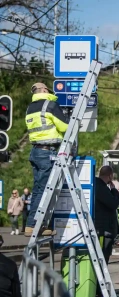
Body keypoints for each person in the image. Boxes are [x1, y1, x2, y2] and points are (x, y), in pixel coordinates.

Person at [24, 82, 69, 237]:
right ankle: (35, 225)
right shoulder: (50, 105)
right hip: (47, 152)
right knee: (44, 190)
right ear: (44, 90)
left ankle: (32, 224)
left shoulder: (30, 108)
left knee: (37, 189)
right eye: (47, 89)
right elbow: (64, 126)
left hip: (35, 152)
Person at [94, 166, 119, 297]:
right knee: (103, 260)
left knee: (102, 260)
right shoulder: (101, 187)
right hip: (104, 230)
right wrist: (115, 192)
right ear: (110, 176)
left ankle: (99, 289)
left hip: (102, 228)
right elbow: (113, 204)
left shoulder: (97, 186)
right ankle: (99, 290)